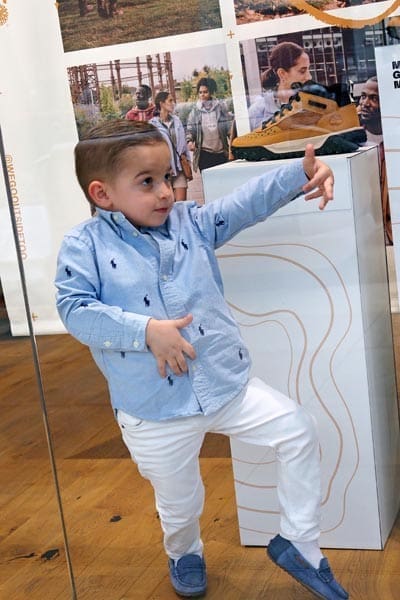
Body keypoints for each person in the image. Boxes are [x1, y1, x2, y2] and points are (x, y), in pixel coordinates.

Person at [55, 119, 348, 600]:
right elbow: (75, 309)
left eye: (168, 177)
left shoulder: (190, 223)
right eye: (147, 182)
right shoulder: (83, 246)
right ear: (102, 194)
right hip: (154, 409)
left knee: (297, 430)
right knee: (181, 501)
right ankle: (184, 550)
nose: (165, 191)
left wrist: (299, 173)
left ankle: (299, 541)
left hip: (224, 384)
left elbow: (242, 205)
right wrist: (145, 331)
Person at [358, 76, 392, 245]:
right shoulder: (352, 134)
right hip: (365, 224)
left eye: (374, 98)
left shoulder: (394, 137)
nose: (365, 103)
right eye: (363, 96)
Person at [248, 41, 312, 130]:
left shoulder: (316, 105)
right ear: (282, 74)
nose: (309, 77)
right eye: (302, 71)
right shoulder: (257, 112)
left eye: (309, 69)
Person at [150, 91, 191, 201]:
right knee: (168, 204)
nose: (173, 103)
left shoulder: (177, 121)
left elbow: (183, 145)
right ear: (162, 103)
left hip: (179, 168)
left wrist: (187, 162)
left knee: (181, 205)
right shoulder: (153, 125)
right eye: (170, 101)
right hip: (163, 171)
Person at [186, 77, 232, 172]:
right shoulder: (195, 111)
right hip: (204, 154)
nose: (202, 95)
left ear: (211, 92)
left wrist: (232, 146)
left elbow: (229, 128)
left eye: (205, 92)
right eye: (200, 92)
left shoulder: (220, 107)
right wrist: (189, 141)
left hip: (221, 153)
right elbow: (190, 129)